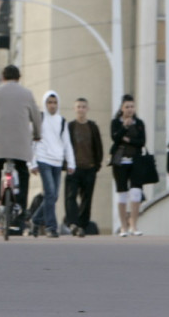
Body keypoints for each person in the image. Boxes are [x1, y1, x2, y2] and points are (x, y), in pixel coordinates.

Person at [0, 65, 43, 227]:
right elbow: (36, 116)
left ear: (3, 77)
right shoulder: (27, 94)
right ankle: (21, 205)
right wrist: (37, 134)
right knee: (22, 171)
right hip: (19, 143)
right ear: (19, 78)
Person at [29, 91, 75, 238]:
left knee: (54, 196)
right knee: (50, 193)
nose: (52, 105)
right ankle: (51, 227)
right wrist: (32, 163)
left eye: (54, 102)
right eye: (49, 102)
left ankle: (35, 220)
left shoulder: (62, 121)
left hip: (57, 161)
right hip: (43, 160)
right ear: (45, 103)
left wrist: (71, 163)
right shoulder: (39, 119)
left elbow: (67, 143)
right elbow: (30, 142)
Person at [64, 97, 103, 238]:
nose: (81, 109)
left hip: (89, 167)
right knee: (71, 196)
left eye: (83, 107)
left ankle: (82, 224)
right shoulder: (70, 127)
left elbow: (98, 146)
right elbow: (65, 146)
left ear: (87, 109)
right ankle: (73, 223)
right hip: (73, 168)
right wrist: (66, 164)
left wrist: (96, 165)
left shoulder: (92, 127)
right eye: (78, 107)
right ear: (75, 109)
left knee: (87, 198)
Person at [109, 94, 147, 236]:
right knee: (122, 194)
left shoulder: (139, 123)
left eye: (132, 106)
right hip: (120, 162)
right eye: (127, 107)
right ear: (122, 108)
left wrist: (127, 139)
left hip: (136, 160)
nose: (130, 109)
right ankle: (123, 227)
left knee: (136, 193)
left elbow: (141, 142)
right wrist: (124, 128)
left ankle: (134, 226)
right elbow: (115, 138)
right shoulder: (116, 123)